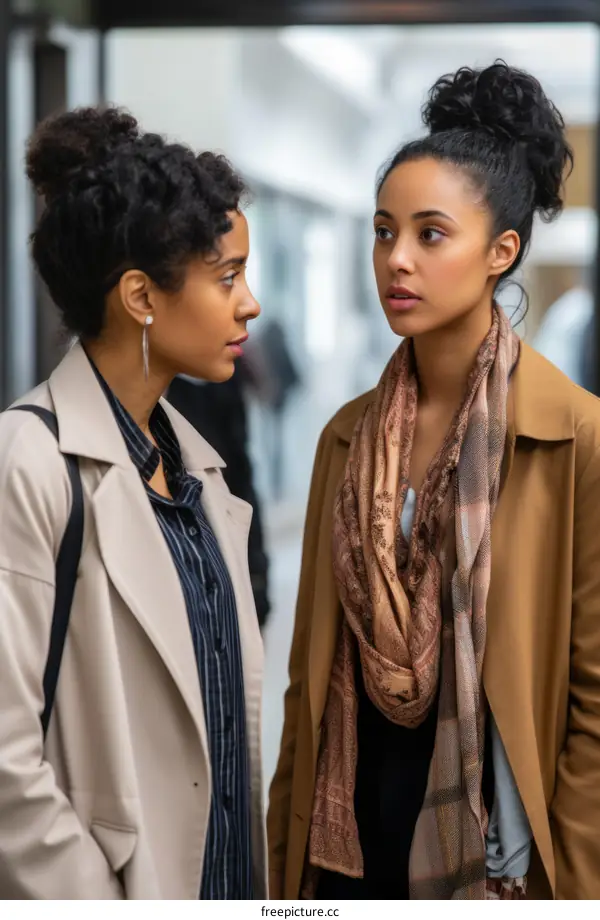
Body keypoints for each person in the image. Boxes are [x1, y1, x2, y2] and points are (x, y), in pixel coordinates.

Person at [268, 61, 600, 900]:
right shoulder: (347, 437)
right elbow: (310, 681)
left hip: (497, 850)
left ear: (502, 251)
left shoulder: (577, 437)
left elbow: (594, 703)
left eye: (429, 233)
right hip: (347, 842)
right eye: (383, 232)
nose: (397, 260)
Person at [0, 107, 265, 899]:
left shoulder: (196, 474)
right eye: (227, 277)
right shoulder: (31, 461)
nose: (249, 303)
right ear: (141, 297)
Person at [167, 366, 271, 628]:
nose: (246, 322)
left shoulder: (221, 381)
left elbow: (241, 475)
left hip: (223, 572)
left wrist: (256, 573)